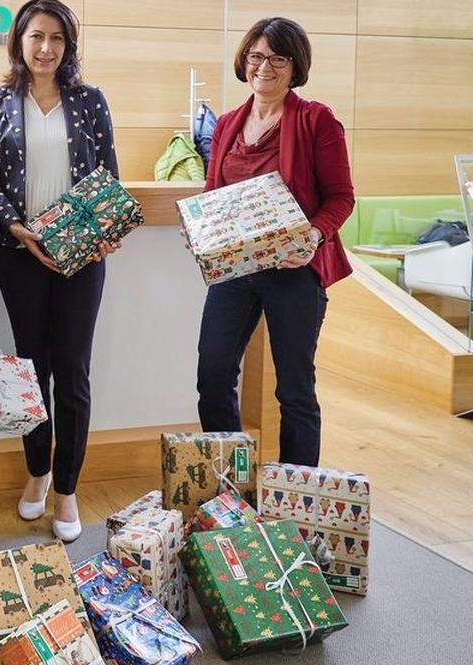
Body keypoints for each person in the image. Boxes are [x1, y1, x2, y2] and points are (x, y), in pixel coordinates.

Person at [0, 0, 120, 542]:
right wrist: (15, 228)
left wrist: (95, 232)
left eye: (57, 38)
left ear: (68, 45)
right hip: (21, 253)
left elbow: (108, 174)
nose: (46, 48)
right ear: (19, 42)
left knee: (73, 375)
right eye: (37, 36)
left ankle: (67, 487)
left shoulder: (89, 100)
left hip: (81, 254)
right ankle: (37, 472)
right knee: (32, 373)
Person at [196, 17, 354, 467]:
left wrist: (313, 234)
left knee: (295, 391)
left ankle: (295, 498)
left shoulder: (315, 120)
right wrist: (203, 233)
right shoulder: (227, 124)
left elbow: (341, 198)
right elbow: (213, 195)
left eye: (277, 58)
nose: (264, 67)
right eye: (257, 56)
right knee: (213, 377)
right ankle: (231, 489)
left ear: (294, 66)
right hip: (235, 272)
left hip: (295, 271)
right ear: (245, 61)